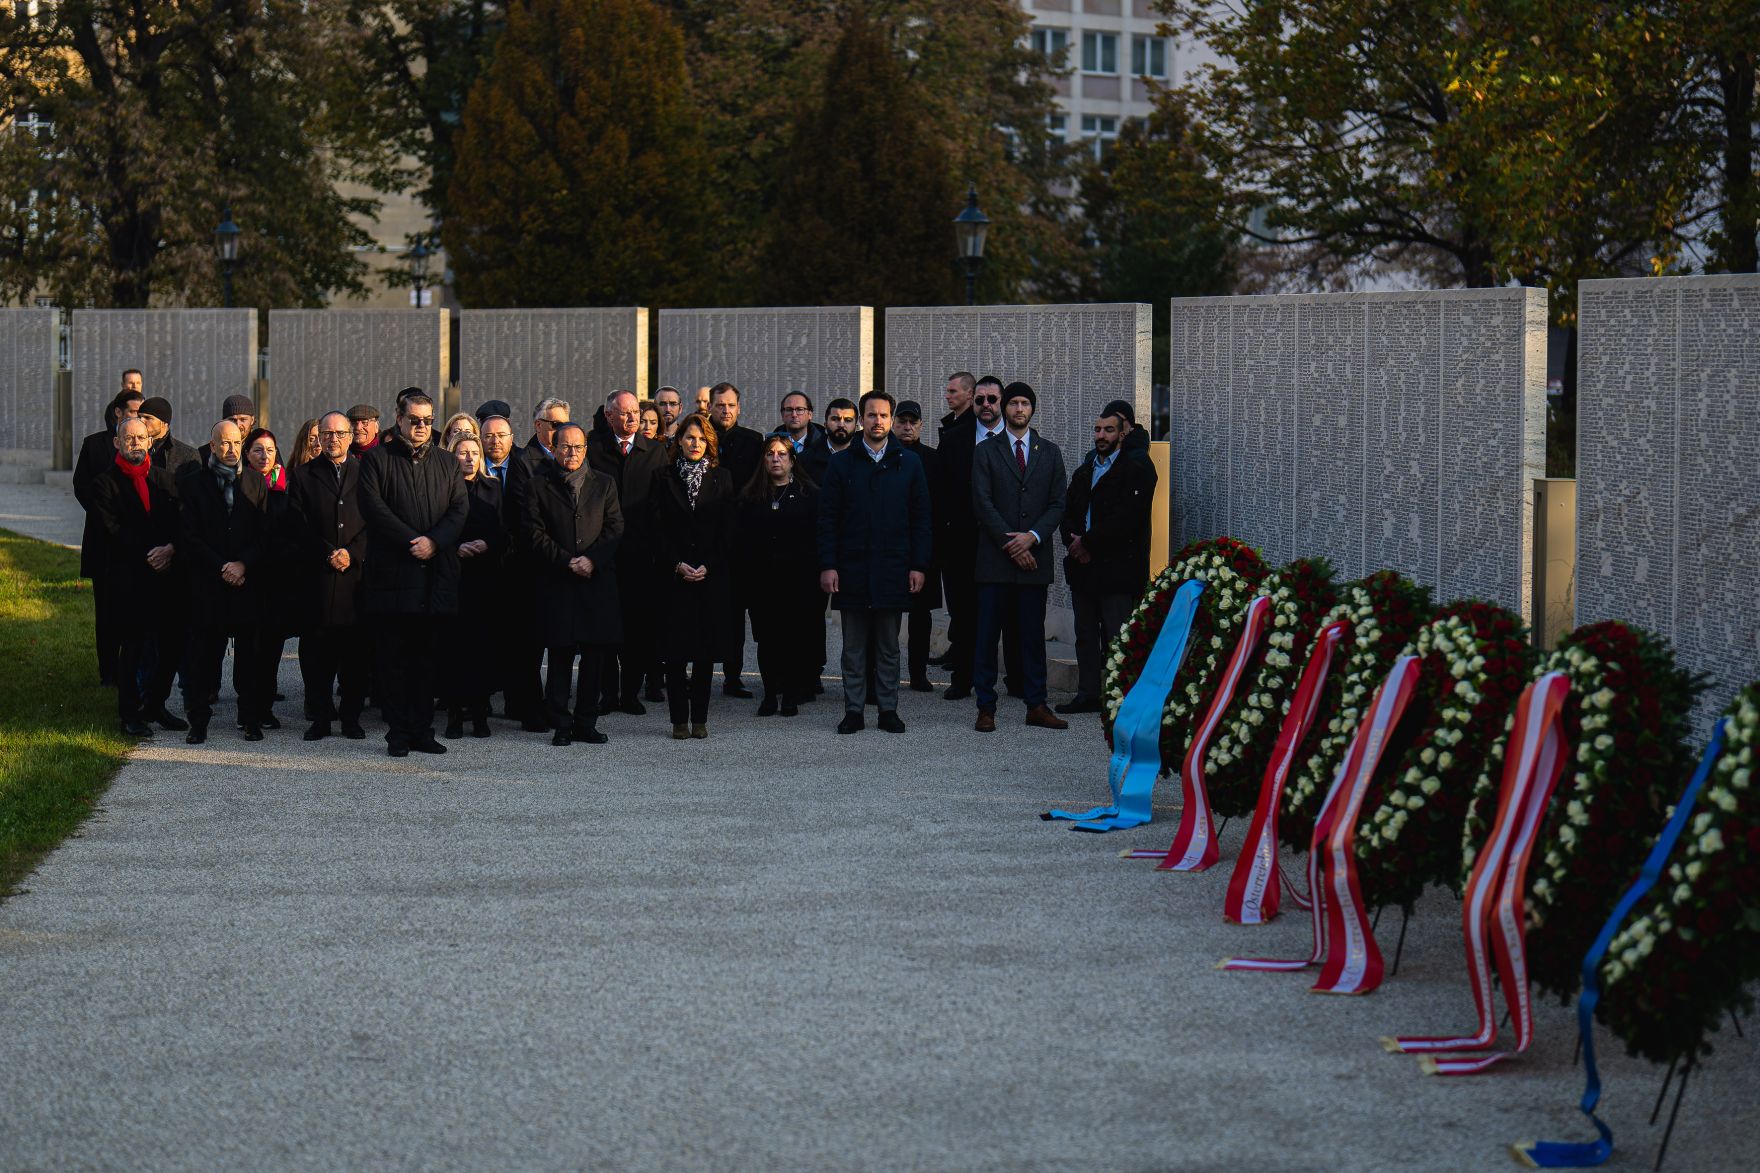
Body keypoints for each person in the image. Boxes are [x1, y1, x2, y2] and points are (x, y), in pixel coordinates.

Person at [358, 393, 468, 756]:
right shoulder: (377, 460)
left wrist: (434, 542)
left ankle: (422, 731)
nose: (422, 426)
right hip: (393, 576)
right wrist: (411, 541)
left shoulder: (447, 462)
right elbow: (373, 508)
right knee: (393, 661)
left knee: (427, 661)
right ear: (400, 419)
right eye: (415, 420)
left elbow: (459, 508)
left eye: (428, 420)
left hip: (435, 576)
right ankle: (398, 733)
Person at [817, 391, 932, 735]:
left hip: (893, 568)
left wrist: (918, 565)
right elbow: (827, 518)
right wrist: (828, 564)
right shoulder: (841, 463)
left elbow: (921, 518)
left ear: (891, 420)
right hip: (851, 569)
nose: (877, 421)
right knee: (853, 648)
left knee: (888, 647)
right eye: (871, 415)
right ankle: (853, 710)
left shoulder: (909, 463)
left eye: (883, 415)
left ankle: (888, 710)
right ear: (861, 419)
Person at [970, 381, 1068, 733]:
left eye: (1025, 403)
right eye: (1013, 403)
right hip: (995, 561)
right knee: (987, 637)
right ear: (1004, 408)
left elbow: (1058, 502)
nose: (1019, 409)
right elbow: (982, 502)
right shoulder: (986, 451)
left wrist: (1032, 537)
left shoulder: (1049, 452)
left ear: (1033, 408)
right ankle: (986, 707)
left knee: (1032, 637)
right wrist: (1011, 543)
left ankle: (1036, 704)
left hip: (1034, 560)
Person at [524, 423, 624, 746]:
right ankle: (561, 724)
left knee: (594, 659)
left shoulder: (604, 484)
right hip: (557, 582)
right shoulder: (538, 485)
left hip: (596, 583)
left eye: (578, 447)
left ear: (586, 449)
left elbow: (615, 528)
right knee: (560, 657)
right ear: (554, 448)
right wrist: (566, 560)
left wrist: (592, 560)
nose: (572, 452)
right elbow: (534, 532)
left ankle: (586, 723)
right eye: (566, 446)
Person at [87, 416, 185, 735]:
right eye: (129, 438)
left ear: (150, 442)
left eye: (141, 438)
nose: (136, 443)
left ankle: (155, 705)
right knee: (132, 648)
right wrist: (153, 553)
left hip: (166, 577)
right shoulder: (104, 483)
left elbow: (180, 522)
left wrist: (170, 549)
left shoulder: (165, 480)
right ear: (117, 443)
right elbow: (111, 531)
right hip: (128, 579)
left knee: (171, 646)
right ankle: (129, 714)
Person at [1058, 405, 1158, 714]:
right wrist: (1074, 542)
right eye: (1098, 430)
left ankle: (1120, 698)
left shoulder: (1136, 468)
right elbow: (1068, 510)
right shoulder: (1087, 468)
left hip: (1116, 569)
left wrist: (1087, 542)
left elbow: (1125, 518)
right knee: (1085, 635)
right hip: (1083, 567)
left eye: (1109, 430)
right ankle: (1088, 693)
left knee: (1117, 636)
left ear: (1122, 434)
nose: (1101, 435)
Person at [176, 420, 270, 744]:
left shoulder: (256, 482)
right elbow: (190, 537)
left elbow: (265, 534)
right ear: (213, 446)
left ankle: (251, 718)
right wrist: (222, 567)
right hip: (209, 584)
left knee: (250, 658)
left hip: (246, 583)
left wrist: (243, 564)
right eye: (224, 443)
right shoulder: (193, 484)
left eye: (236, 443)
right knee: (203, 658)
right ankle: (199, 722)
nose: (231, 449)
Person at [651, 413, 735, 739]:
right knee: (675, 654)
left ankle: (699, 718)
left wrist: (708, 565)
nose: (695, 443)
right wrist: (676, 564)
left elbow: (728, 529)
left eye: (701, 438)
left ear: (709, 442)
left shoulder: (722, 478)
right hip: (674, 578)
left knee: (704, 654)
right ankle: (678, 720)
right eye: (689, 437)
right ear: (679, 441)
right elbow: (657, 527)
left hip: (708, 578)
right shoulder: (662, 477)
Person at [288, 412, 370, 742]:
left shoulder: (366, 473)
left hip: (355, 580)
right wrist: (326, 552)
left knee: (355, 657)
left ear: (350, 437)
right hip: (318, 579)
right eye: (326, 434)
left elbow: (375, 520)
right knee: (315, 656)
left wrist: (353, 552)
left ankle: (351, 718)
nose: (332, 439)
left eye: (339, 433)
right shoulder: (303, 475)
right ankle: (320, 716)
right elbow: (296, 523)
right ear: (319, 438)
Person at [587, 390, 666, 715]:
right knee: (605, 627)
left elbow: (661, 503)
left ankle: (630, 693)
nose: (633, 417)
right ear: (609, 416)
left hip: (640, 556)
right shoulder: (594, 449)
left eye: (635, 412)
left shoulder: (656, 451)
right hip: (603, 554)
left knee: (637, 629)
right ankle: (608, 693)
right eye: (625, 412)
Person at [737, 434, 821, 716]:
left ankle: (791, 695)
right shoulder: (750, 496)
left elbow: (816, 538)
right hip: (762, 581)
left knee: (794, 639)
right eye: (770, 454)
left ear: (792, 460)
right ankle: (770, 693)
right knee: (767, 640)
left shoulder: (809, 494)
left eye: (782, 454)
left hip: (798, 580)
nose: (776, 459)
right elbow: (742, 540)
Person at [501, 397, 570, 730]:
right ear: (538, 425)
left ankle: (556, 706)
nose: (559, 430)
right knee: (528, 646)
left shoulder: (572, 457)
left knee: (559, 642)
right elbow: (523, 516)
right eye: (554, 424)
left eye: (563, 424)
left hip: (563, 567)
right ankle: (529, 708)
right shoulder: (522, 461)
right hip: (532, 566)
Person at [73, 376, 145, 685]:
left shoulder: (142, 443)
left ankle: (134, 670)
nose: (137, 417)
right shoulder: (94, 445)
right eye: (132, 411)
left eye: (141, 413)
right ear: (118, 412)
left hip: (134, 545)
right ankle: (108, 672)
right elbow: (81, 486)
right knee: (105, 612)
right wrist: (104, 514)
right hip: (102, 542)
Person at [444, 433, 507, 738]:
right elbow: (436, 526)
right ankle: (454, 715)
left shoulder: (493, 487)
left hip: (485, 578)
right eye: (462, 452)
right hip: (454, 577)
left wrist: (488, 543)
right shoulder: (443, 489)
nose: (469, 458)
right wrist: (455, 546)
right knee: (454, 650)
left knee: (483, 648)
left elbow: (504, 529)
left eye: (474, 452)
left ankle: (481, 714)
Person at [707, 382, 764, 697]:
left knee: (738, 614)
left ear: (739, 408)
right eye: (720, 405)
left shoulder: (753, 442)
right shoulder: (700, 438)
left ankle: (733, 676)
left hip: (742, 541)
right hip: (707, 537)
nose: (725, 410)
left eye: (730, 405)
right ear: (710, 407)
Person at [242, 427, 295, 730]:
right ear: (247, 454)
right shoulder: (239, 486)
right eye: (258, 450)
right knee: (249, 646)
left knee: (272, 646)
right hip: (249, 578)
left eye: (270, 450)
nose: (265, 456)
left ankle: (264, 706)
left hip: (278, 579)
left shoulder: (285, 487)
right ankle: (246, 708)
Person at [892, 400, 942, 692]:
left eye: (913, 422)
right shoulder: (884, 455)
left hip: (924, 548)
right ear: (894, 424)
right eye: (902, 422)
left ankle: (918, 673)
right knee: (888, 614)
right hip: (891, 548)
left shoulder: (933, 459)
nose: (907, 427)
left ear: (921, 425)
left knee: (921, 616)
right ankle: (888, 672)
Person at [138, 397, 200, 483]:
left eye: (148, 418)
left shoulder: (188, 455)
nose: (141, 421)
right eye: (139, 417)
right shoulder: (130, 449)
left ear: (164, 423)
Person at [479, 413, 517, 494]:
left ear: (511, 439)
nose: (495, 441)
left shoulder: (525, 464)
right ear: (480, 439)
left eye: (501, 435)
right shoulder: (473, 468)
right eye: (488, 436)